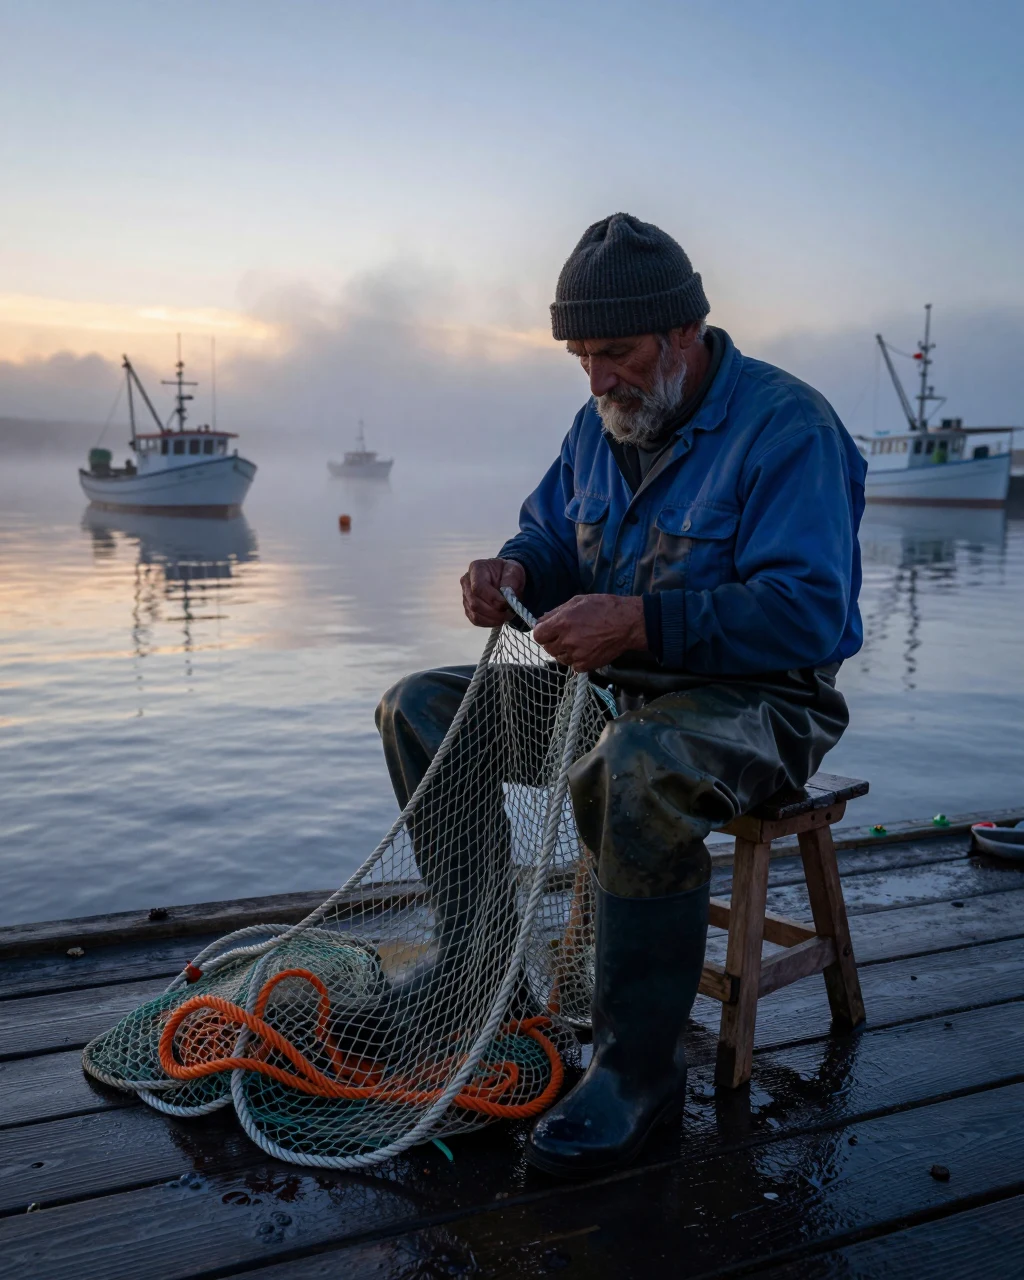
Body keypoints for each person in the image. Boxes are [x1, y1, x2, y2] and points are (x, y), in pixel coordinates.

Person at [377, 212, 865, 1177]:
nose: (599, 379)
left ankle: (635, 1076)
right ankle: (479, 980)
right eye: (581, 356)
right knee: (419, 709)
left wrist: (637, 624)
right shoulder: (596, 424)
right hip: (613, 696)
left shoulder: (789, 427)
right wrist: (508, 571)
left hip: (763, 707)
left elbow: (808, 614)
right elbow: (552, 541)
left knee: (633, 772)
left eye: (618, 353)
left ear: (685, 332)